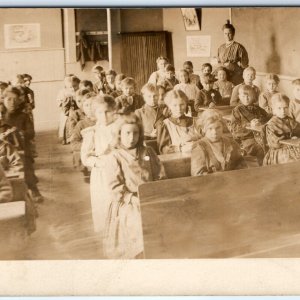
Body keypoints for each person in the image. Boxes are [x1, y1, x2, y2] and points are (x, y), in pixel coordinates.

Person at [103, 113, 166, 259]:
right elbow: (115, 187)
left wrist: (157, 189)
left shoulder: (147, 151)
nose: (131, 138)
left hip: (150, 198)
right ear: (119, 134)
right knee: (138, 232)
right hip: (129, 203)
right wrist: (132, 199)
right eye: (127, 133)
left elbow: (159, 172)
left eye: (135, 133)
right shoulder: (115, 157)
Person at [81, 94, 118, 234]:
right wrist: (100, 162)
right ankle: (107, 235)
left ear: (114, 110)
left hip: (120, 170)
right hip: (102, 174)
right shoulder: (93, 132)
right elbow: (86, 157)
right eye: (100, 112)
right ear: (95, 113)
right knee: (105, 204)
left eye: (107, 111)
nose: (104, 116)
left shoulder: (120, 129)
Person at [2, 86, 43, 202]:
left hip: (22, 149)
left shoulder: (23, 116)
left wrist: (18, 132)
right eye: (9, 99)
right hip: (4, 150)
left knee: (27, 170)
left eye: (15, 99)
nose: (12, 103)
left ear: (19, 100)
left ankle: (34, 191)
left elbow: (31, 133)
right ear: (3, 99)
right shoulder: (1, 116)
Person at [191, 109, 246, 176]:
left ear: (223, 126)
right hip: (210, 184)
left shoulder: (231, 143)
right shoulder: (199, 147)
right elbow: (198, 175)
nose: (215, 132)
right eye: (210, 128)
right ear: (203, 129)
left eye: (218, 127)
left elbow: (241, 165)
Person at [231, 85, 270, 165]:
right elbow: (235, 130)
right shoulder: (237, 110)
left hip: (262, 136)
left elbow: (268, 118)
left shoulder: (258, 109)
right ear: (239, 97)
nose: (246, 98)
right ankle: (262, 170)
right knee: (261, 148)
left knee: (274, 147)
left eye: (249, 95)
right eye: (243, 96)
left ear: (253, 96)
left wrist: (261, 121)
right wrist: (249, 125)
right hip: (247, 139)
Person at [157, 89, 200, 154]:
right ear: (169, 106)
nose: (179, 108)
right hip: (178, 160)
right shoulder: (165, 125)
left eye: (182, 104)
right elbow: (164, 150)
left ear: (186, 104)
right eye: (175, 105)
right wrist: (181, 148)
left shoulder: (195, 121)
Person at [264, 93, 300, 165]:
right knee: (294, 161)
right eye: (279, 108)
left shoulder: (291, 121)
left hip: (295, 147)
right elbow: (275, 143)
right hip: (280, 151)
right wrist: (291, 140)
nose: (283, 111)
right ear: (273, 109)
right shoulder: (271, 124)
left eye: (285, 107)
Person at [217, 21, 249, 85]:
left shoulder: (238, 47)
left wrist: (234, 67)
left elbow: (244, 64)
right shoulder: (221, 47)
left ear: (233, 34)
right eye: (225, 33)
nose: (227, 35)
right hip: (223, 76)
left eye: (229, 33)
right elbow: (219, 62)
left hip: (235, 75)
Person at [70, 92, 96, 171]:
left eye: (92, 104)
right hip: (89, 155)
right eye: (86, 105)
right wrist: (87, 147)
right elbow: (74, 143)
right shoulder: (81, 124)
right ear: (83, 108)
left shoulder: (104, 121)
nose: (89, 108)